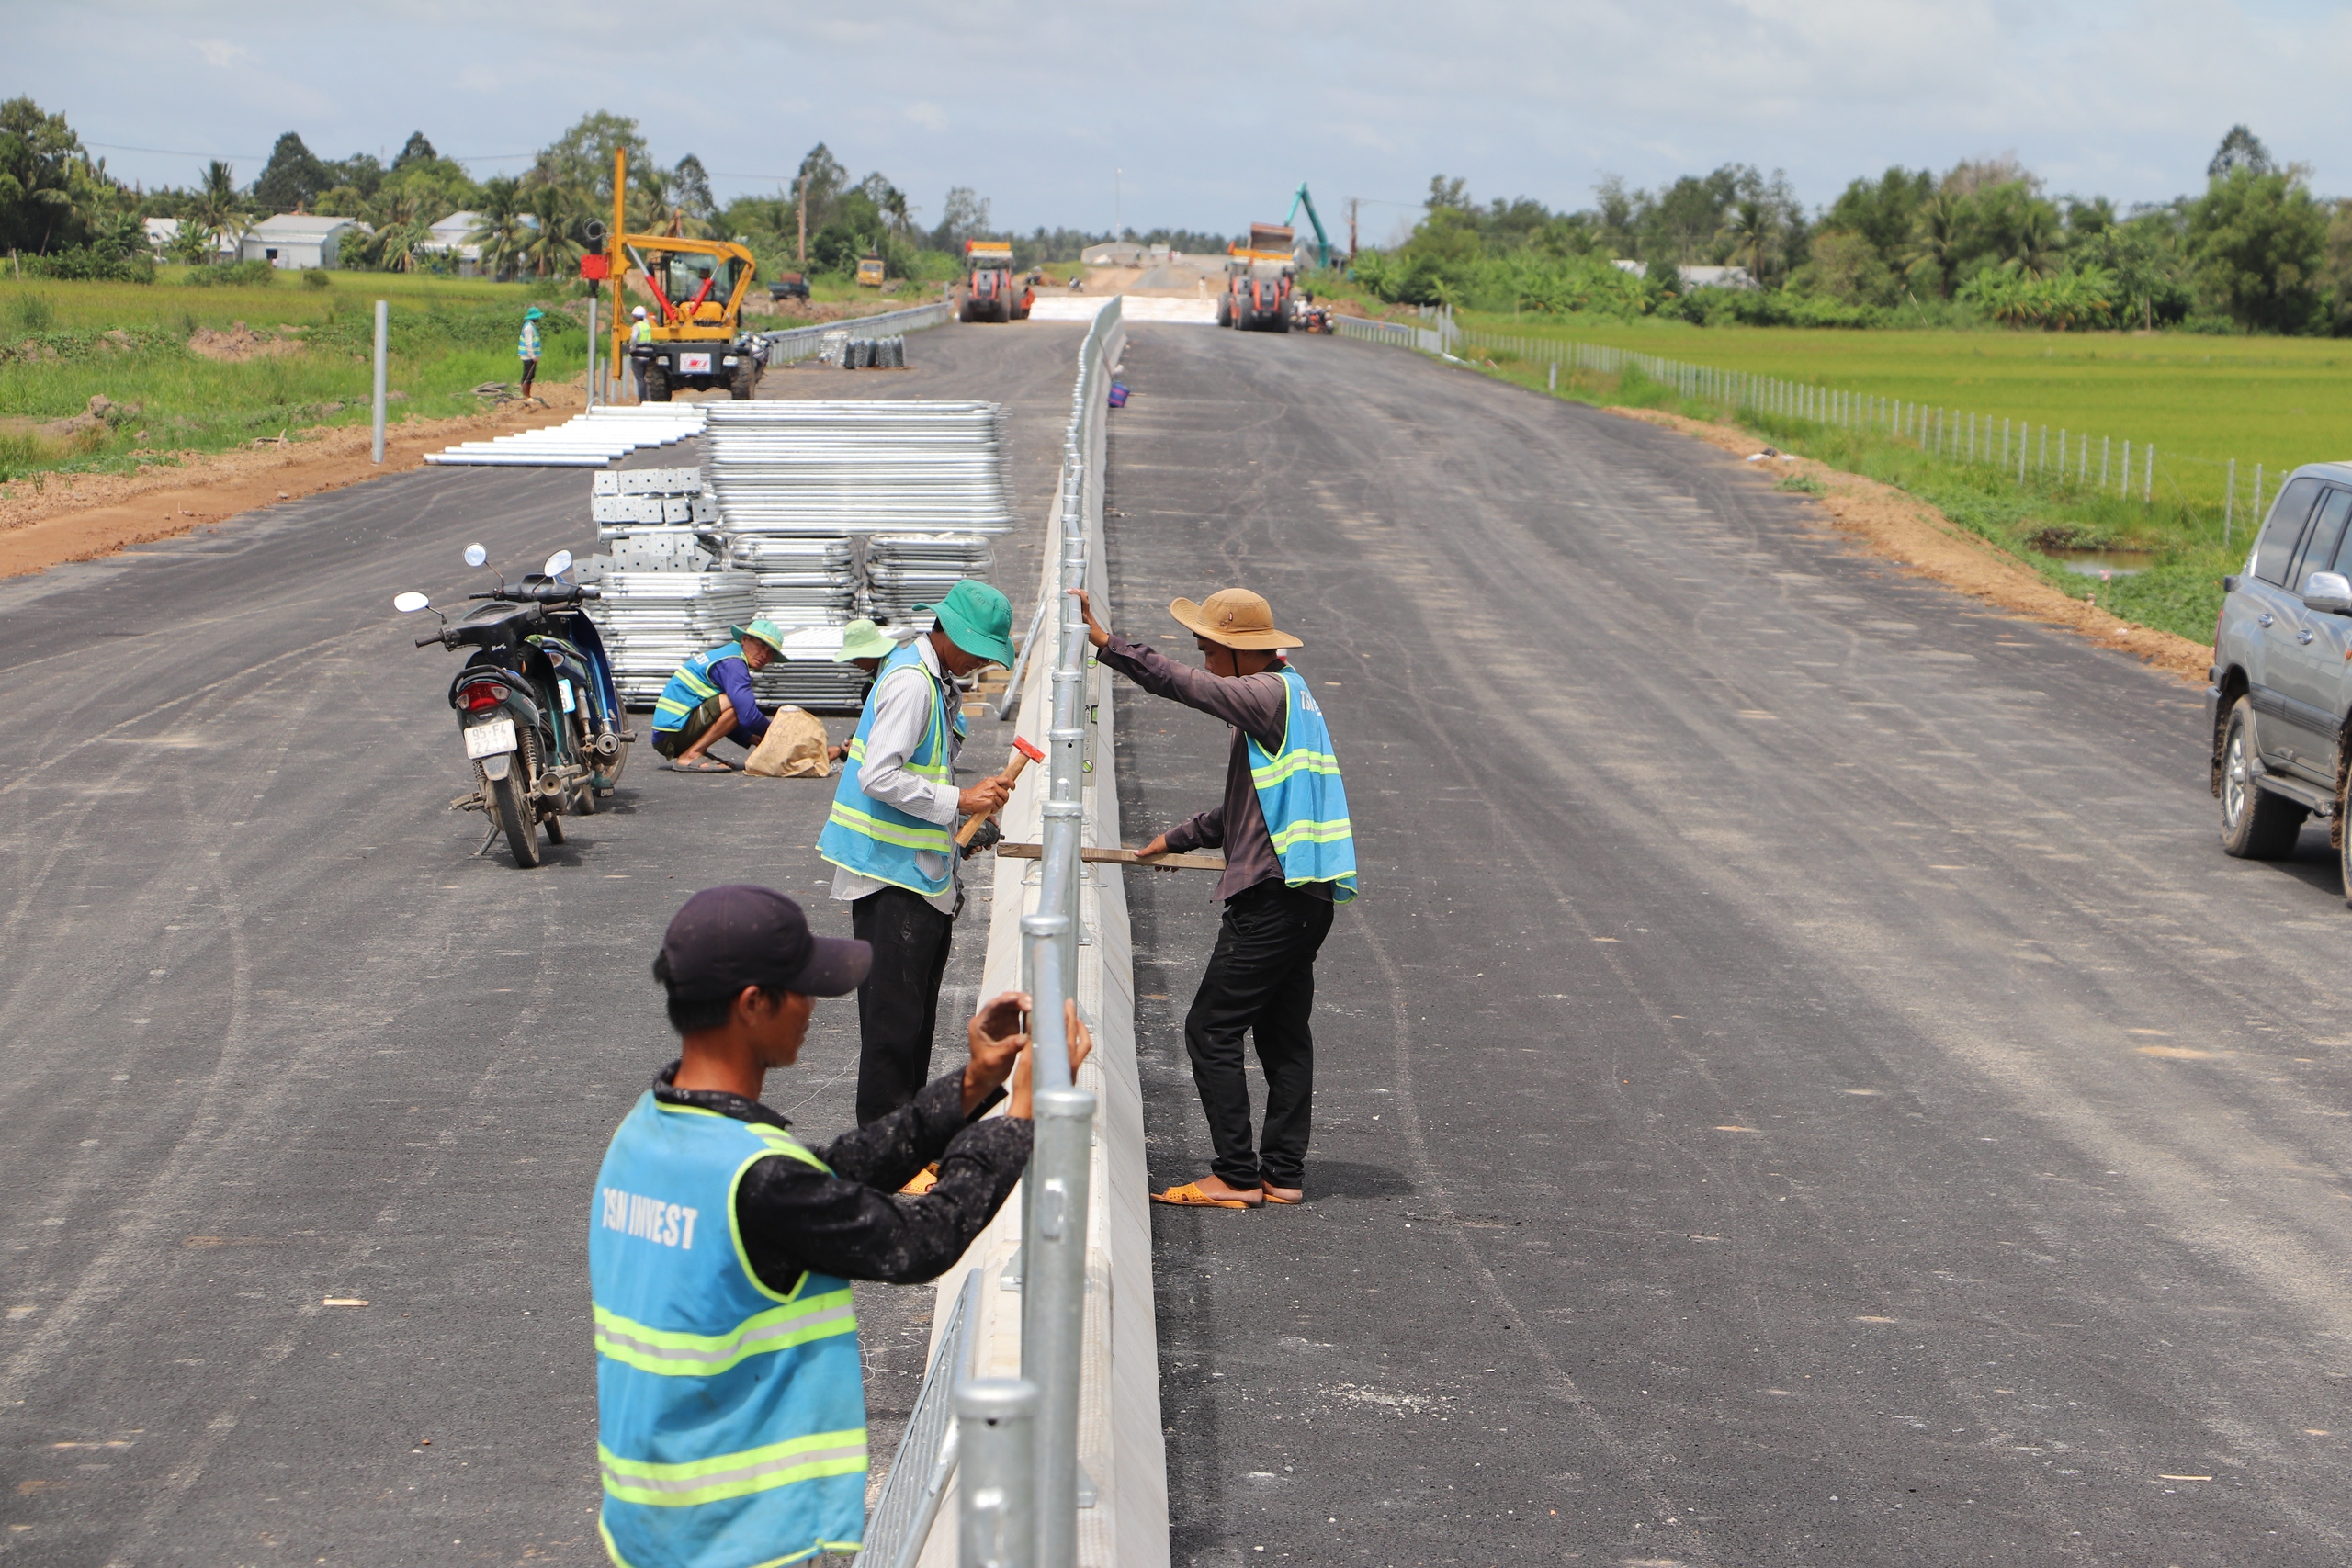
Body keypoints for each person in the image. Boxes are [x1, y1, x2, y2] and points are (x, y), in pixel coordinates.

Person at [590, 883, 1091, 1568]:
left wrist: (974, 1083)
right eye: (803, 989)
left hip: (653, 1519)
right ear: (753, 1003)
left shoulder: (649, 1136)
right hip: (740, 1538)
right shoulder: (757, 1179)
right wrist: (1023, 1116)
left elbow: (825, 1174)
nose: (814, 1008)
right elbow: (921, 1240)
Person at [1071, 585, 1357, 1209]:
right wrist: (1178, 836)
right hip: (1309, 897)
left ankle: (1234, 1173)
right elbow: (1250, 807)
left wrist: (1110, 646)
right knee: (1283, 1037)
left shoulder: (1261, 695)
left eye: (1206, 647)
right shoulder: (1292, 696)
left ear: (1235, 651)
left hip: (1273, 902)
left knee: (1210, 1029)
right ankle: (1281, 1173)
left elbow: (1185, 686)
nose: (1201, 659)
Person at [818, 580, 1019, 1125]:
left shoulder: (932, 677)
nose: (980, 663)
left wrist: (961, 817)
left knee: (913, 1020)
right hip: (890, 878)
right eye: (980, 649)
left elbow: (922, 770)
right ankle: (885, 1145)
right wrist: (960, 798)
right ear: (953, 634)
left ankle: (905, 1141)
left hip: (914, 872)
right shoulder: (912, 683)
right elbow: (879, 774)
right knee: (893, 1026)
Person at [654, 619, 785, 773]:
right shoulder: (734, 664)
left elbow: (721, 715)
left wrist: (750, 737)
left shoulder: (728, 655)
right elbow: (747, 715)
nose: (764, 655)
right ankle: (691, 755)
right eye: (761, 646)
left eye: (770, 652)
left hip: (668, 734)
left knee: (735, 703)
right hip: (671, 735)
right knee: (737, 704)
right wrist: (778, 736)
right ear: (744, 640)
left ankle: (695, 751)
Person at [826, 618, 898, 766]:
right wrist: (843, 748)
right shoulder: (885, 667)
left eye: (855, 656)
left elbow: (891, 724)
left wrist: (865, 744)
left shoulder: (894, 673)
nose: (853, 662)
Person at [517, 306, 544, 400]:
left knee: (531, 375)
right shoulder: (528, 327)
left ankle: (528, 395)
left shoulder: (532, 326)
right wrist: (533, 356)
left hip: (530, 356)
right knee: (527, 376)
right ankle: (526, 396)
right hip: (528, 356)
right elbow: (528, 343)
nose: (538, 318)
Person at [628, 305, 653, 401]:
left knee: (640, 379)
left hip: (638, 355)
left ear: (636, 317)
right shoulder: (647, 326)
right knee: (644, 378)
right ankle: (648, 398)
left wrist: (632, 348)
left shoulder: (636, 326)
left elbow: (634, 338)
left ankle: (642, 400)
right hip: (648, 355)